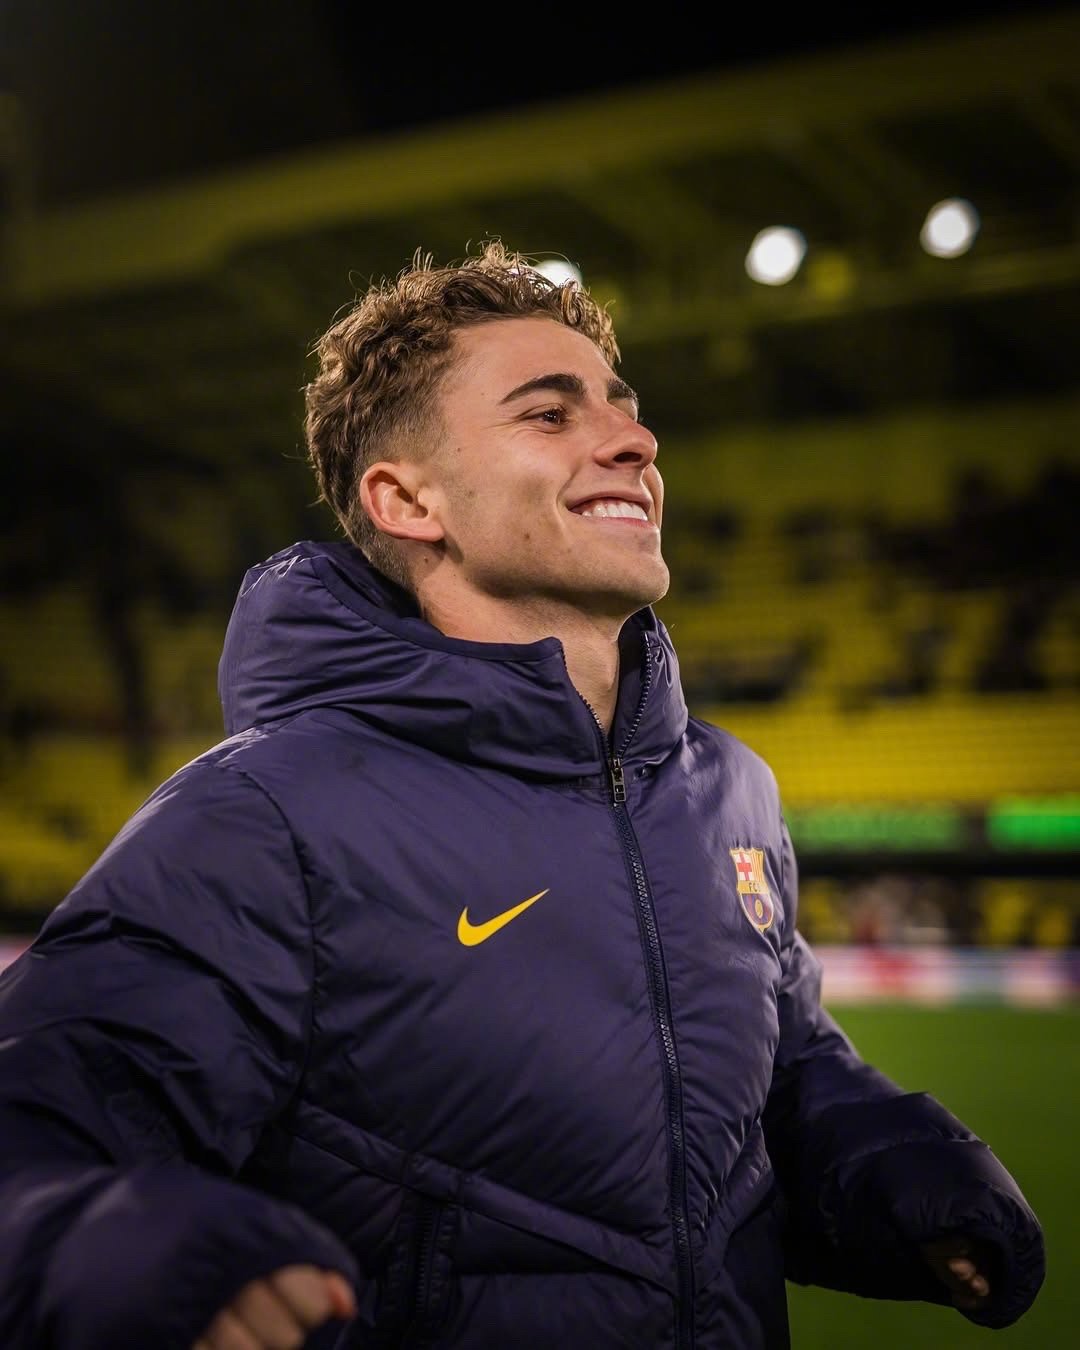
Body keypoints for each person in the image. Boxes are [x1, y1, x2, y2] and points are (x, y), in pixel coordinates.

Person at [0, 242, 1044, 1349]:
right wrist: (133, 1255)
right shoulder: (263, 815)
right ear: (408, 500)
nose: (635, 441)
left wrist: (897, 1168)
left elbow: (780, 1073)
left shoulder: (732, 790)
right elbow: (38, 1125)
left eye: (623, 408)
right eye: (549, 415)